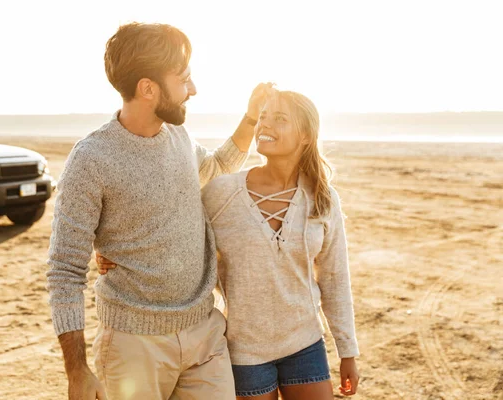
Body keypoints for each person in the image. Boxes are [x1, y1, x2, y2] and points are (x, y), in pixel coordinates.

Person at [46, 22, 271, 400]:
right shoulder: (91, 159)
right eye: (184, 79)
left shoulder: (179, 136)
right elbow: (65, 269)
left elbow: (215, 167)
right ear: (148, 88)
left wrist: (250, 119)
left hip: (205, 332)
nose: (193, 89)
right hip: (134, 346)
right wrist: (77, 370)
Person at [98, 90, 361, 399]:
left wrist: (348, 352)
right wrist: (111, 247)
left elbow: (333, 279)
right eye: (263, 117)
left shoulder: (322, 198)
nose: (265, 125)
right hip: (244, 352)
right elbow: (168, 220)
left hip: (305, 345)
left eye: (280, 119)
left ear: (305, 135)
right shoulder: (223, 193)